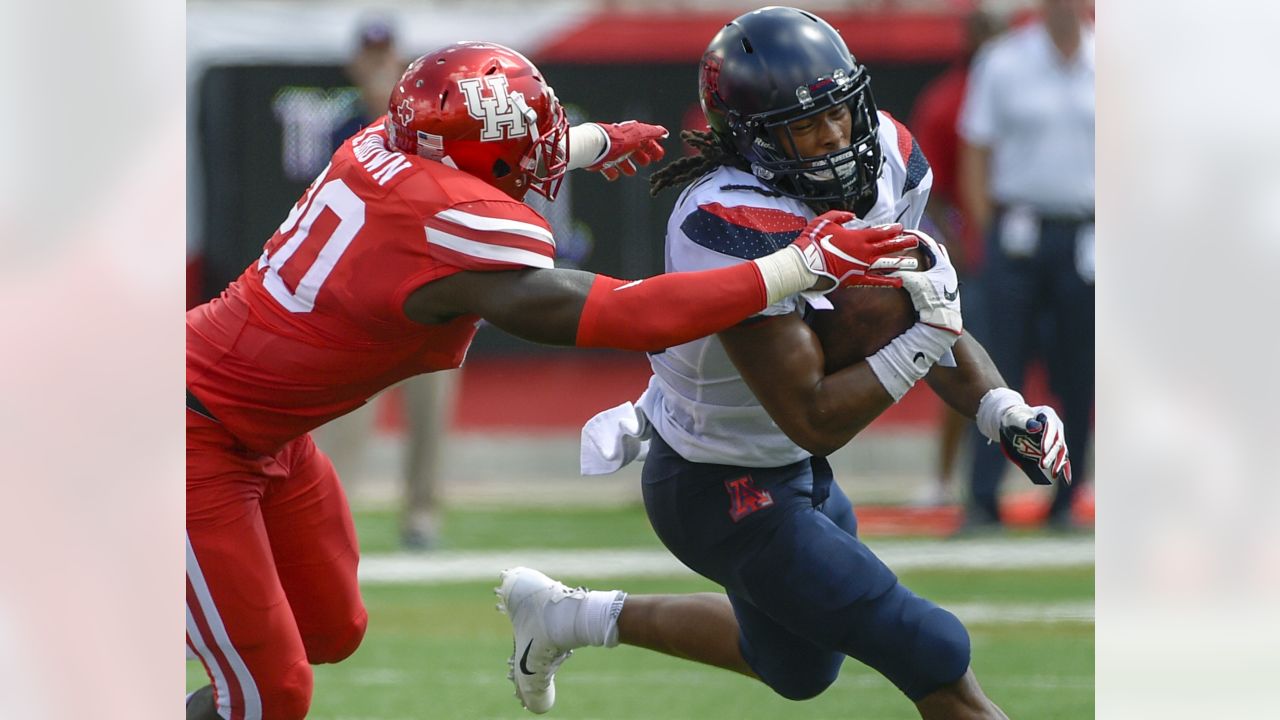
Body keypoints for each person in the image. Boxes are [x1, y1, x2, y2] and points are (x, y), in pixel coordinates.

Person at [185, 40, 925, 720]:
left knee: (331, 627)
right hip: (191, 437)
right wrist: (801, 266)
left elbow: (473, 154)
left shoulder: (388, 143)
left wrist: (591, 142)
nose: (545, 160)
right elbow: (628, 316)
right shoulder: (448, 229)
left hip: (266, 434)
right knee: (269, 694)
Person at [497, 8, 1071, 719]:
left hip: (790, 471)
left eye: (841, 113)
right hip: (716, 484)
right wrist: (926, 334)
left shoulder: (888, 152)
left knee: (795, 667)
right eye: (806, 126)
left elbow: (915, 304)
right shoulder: (724, 221)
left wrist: (1000, 407)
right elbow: (814, 416)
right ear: (749, 140)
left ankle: (566, 617)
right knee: (931, 648)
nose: (836, 139)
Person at [314, 18, 455, 550]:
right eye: (370, 56)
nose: (378, 65)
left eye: (386, 56)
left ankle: (422, 515)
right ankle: (333, 512)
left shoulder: (433, 124)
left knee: (430, 410)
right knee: (345, 414)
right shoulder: (340, 125)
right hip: (365, 297)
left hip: (428, 286)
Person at [956, 0, 1094, 531]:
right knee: (998, 362)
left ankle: (1068, 496)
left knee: (1078, 370)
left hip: (1086, 233)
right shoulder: (1005, 61)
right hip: (1017, 230)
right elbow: (977, 151)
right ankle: (983, 498)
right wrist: (982, 230)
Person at [907, 7, 1005, 507]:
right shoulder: (947, 100)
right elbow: (934, 190)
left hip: (1023, 244)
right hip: (971, 248)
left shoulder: (1021, 91)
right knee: (959, 355)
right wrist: (955, 246)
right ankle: (946, 476)